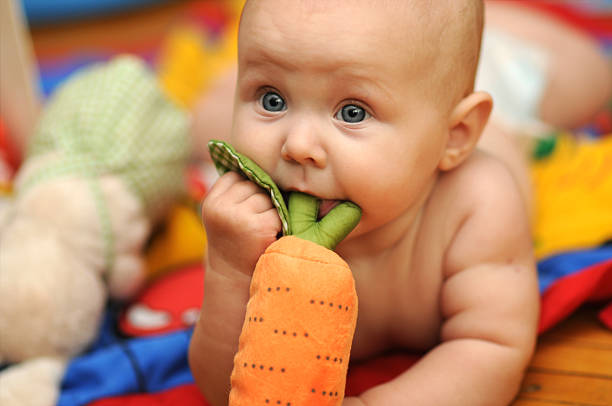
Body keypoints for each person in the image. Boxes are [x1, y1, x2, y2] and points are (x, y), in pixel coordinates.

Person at [188, 1, 609, 405]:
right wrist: (227, 269)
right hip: (405, 81)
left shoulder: (477, 202)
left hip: (503, 111)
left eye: (352, 112)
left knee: (590, 75)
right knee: (194, 121)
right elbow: (223, 389)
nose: (297, 146)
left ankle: (497, 24)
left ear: (456, 136)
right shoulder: (248, 223)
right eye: (271, 99)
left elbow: (491, 347)